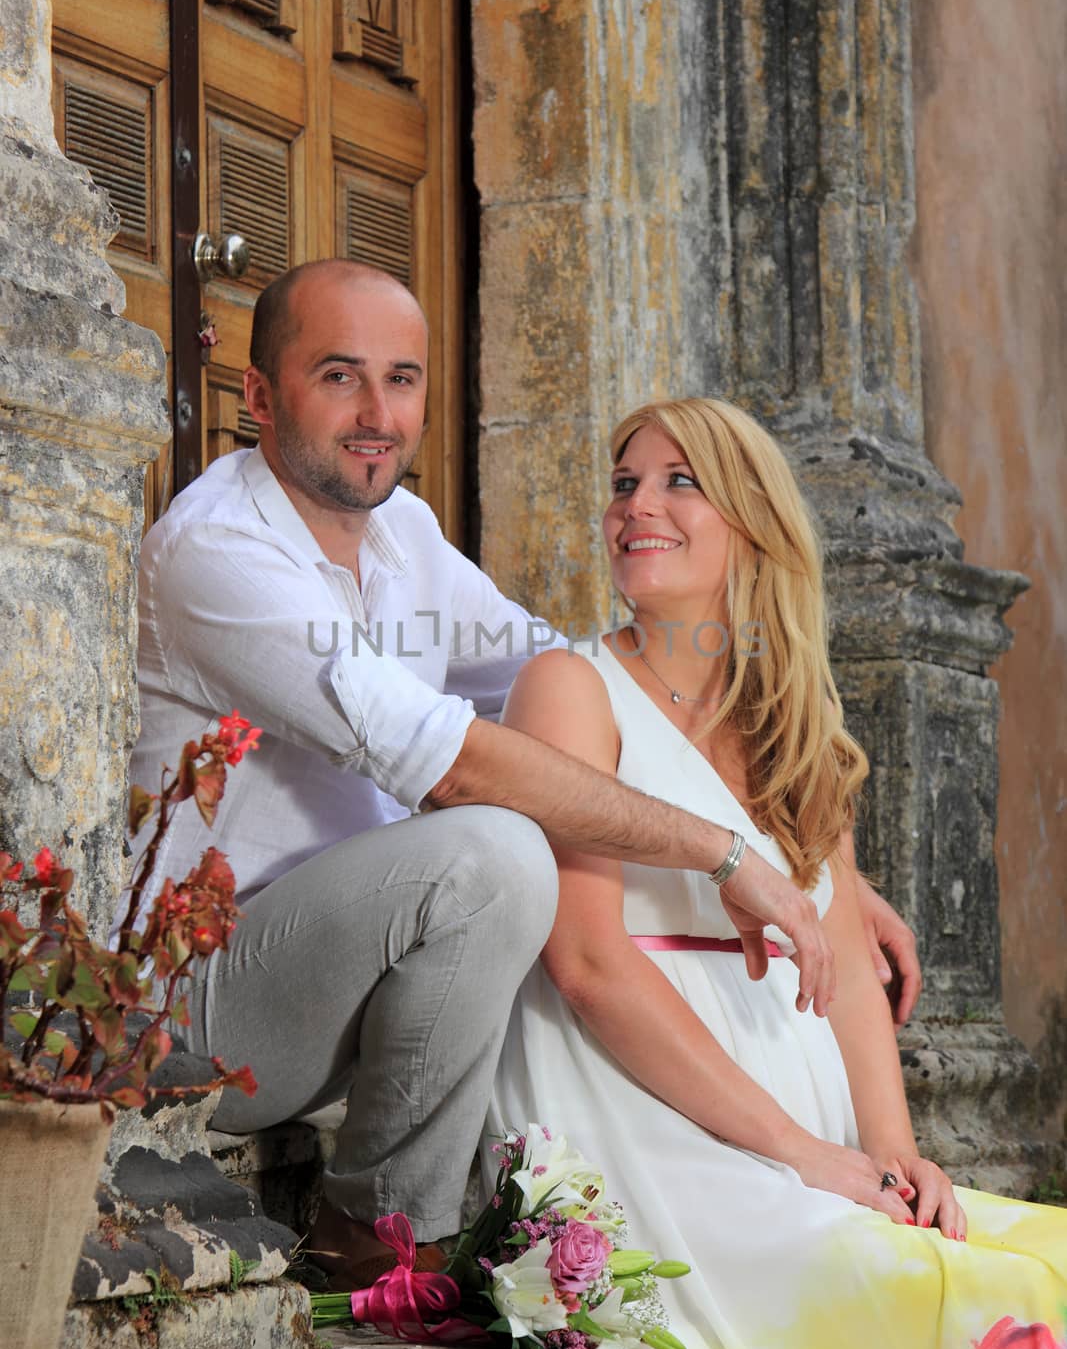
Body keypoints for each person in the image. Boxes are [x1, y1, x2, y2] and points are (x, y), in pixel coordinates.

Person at [126, 260, 912, 1288]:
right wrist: (724, 855)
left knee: (498, 845)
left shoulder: (401, 536)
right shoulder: (214, 553)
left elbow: (580, 684)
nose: (376, 413)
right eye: (338, 376)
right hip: (204, 1007)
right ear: (260, 397)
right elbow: (451, 764)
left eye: (401, 379)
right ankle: (381, 1241)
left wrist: (822, 874)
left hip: (361, 973)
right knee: (491, 852)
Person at [487, 396, 1067, 1349]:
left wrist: (893, 1152)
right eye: (623, 483)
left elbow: (842, 955)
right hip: (637, 1116)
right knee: (948, 1303)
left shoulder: (793, 720)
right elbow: (583, 962)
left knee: (1042, 1262)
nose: (636, 506)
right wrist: (801, 1153)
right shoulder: (569, 686)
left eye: (678, 482)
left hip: (808, 1129)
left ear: (751, 519)